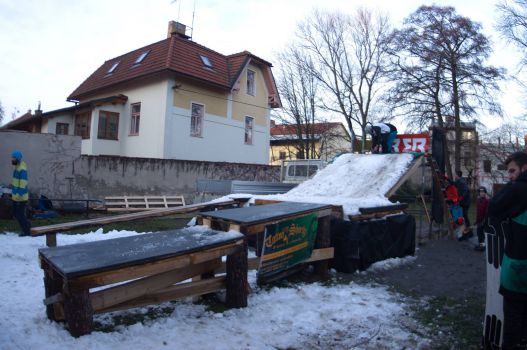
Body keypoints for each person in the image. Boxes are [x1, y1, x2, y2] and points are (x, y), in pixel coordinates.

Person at [488, 151, 527, 349]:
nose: (509, 176)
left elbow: (493, 207)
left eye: (512, 171)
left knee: (512, 318)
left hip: (518, 264)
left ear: (524, 168)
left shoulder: (518, 189)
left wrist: (512, 185)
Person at [10, 150, 31, 236]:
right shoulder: (17, 167)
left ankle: (27, 231)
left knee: (19, 215)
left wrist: (19, 195)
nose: (12, 159)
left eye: (13, 157)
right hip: (16, 196)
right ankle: (28, 227)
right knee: (16, 214)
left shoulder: (22, 169)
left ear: (18, 158)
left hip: (20, 197)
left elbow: (23, 183)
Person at [454, 170, 472, 239]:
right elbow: (453, 184)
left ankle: (468, 230)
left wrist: (461, 197)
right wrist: (447, 179)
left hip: (466, 202)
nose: (454, 176)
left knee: (464, 215)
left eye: (455, 175)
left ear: (457, 175)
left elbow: (466, 190)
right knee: (462, 215)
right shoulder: (459, 181)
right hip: (464, 202)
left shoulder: (461, 181)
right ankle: (466, 230)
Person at [474, 186, 489, 251]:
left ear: (485, 193)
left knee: (481, 234)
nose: (481, 193)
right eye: (480, 192)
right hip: (479, 220)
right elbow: (478, 212)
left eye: (483, 192)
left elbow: (487, 212)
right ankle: (480, 244)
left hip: (483, 220)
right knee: (479, 233)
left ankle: (482, 246)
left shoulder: (487, 201)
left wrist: (484, 221)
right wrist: (476, 221)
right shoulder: (478, 200)